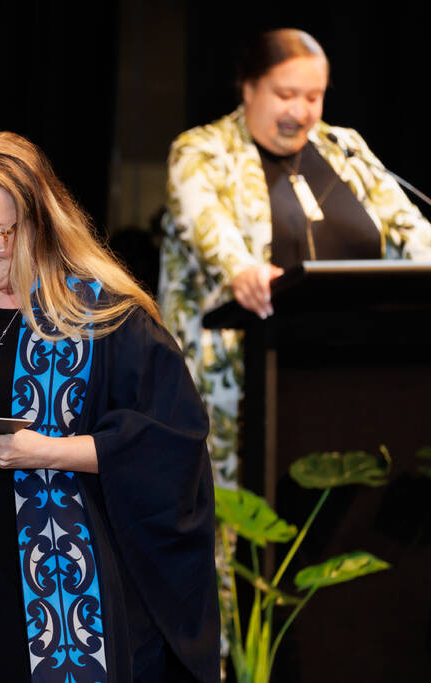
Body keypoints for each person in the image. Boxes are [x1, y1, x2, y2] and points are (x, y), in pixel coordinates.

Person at [0, 132, 220, 682]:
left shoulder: (104, 315)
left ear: (37, 219)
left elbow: (170, 442)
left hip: (65, 585)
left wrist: (49, 452)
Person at [158, 28, 431, 491]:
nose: (301, 112)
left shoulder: (345, 148)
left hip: (359, 376)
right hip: (239, 383)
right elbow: (210, 229)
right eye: (286, 95)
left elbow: (409, 228)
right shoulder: (201, 151)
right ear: (248, 89)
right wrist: (243, 270)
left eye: (314, 96)